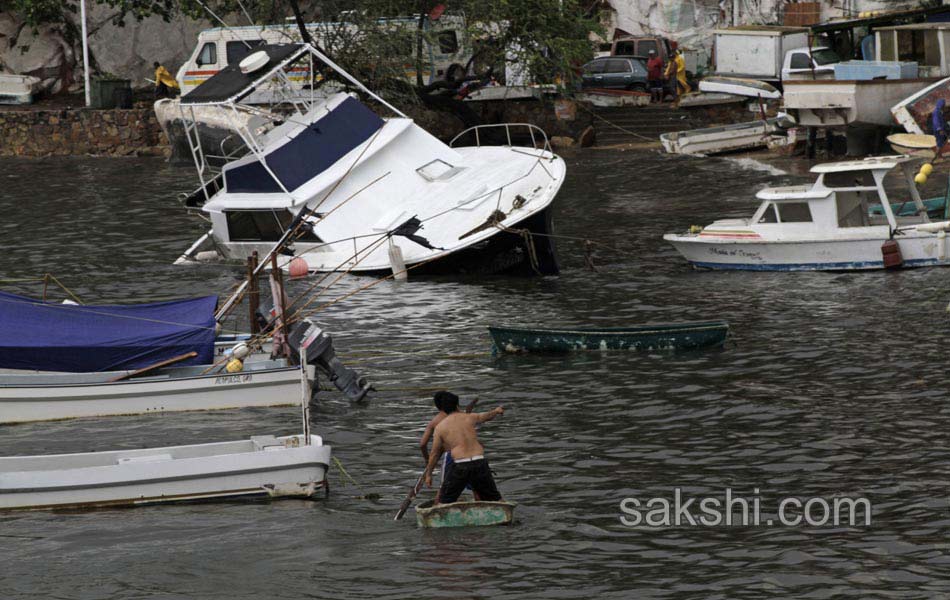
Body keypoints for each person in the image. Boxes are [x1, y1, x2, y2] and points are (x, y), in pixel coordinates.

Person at [423, 392, 505, 504]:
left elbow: (434, 454)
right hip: (479, 461)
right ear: (457, 405)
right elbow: (486, 416)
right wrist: (496, 411)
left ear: (441, 409)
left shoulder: (440, 427)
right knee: (495, 499)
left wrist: (428, 475)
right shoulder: (470, 417)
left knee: (444, 502)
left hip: (461, 466)